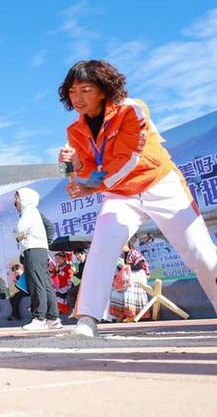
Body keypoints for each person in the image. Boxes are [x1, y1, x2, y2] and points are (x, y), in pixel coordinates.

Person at [58, 59, 217, 337]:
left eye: (85, 90)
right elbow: (94, 167)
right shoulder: (74, 131)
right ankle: (87, 318)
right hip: (120, 195)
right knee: (102, 248)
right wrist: (77, 165)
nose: (77, 98)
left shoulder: (133, 109)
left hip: (159, 183)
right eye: (72, 91)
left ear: (104, 90)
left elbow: (128, 159)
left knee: (199, 251)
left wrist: (91, 188)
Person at [15, 187, 62, 330]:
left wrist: (18, 237)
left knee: (37, 284)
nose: (15, 202)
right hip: (40, 250)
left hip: (34, 250)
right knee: (45, 284)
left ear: (24, 199)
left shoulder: (28, 211)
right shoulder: (33, 211)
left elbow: (20, 230)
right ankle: (53, 318)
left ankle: (39, 317)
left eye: (17, 198)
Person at [109, 237, 150, 322]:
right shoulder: (122, 256)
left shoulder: (134, 253)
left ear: (127, 243)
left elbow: (140, 266)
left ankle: (131, 314)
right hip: (128, 276)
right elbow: (122, 269)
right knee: (116, 289)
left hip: (138, 276)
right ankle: (121, 314)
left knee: (128, 289)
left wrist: (125, 266)